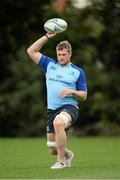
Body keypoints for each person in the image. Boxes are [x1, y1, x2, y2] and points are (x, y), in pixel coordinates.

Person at [27, 32, 87, 169]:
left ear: (70, 54)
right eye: (59, 54)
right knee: (52, 148)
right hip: (51, 110)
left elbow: (83, 96)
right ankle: (68, 154)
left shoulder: (77, 72)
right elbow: (30, 51)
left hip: (70, 107)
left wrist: (72, 91)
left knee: (58, 122)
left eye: (64, 54)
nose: (61, 57)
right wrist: (47, 37)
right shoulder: (49, 65)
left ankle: (61, 162)